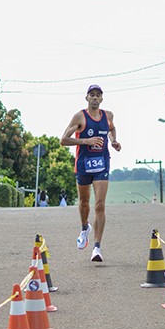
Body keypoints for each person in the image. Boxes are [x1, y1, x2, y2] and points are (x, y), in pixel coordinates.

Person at [61, 84, 121, 262]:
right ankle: (84, 227)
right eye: (92, 95)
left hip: (102, 164)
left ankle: (97, 247)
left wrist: (114, 141)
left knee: (100, 205)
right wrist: (86, 141)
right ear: (86, 98)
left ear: (102, 99)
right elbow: (63, 140)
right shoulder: (80, 116)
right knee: (84, 202)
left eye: (98, 95)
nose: (95, 98)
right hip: (83, 164)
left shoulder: (108, 115)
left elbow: (111, 129)